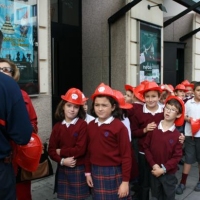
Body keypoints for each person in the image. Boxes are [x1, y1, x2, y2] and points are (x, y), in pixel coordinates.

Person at [85, 83, 132, 199]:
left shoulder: (119, 127)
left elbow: (126, 156)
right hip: (95, 171)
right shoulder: (90, 125)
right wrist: (87, 172)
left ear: (113, 107)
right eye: (97, 105)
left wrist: (125, 182)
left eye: (104, 105)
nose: (100, 109)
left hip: (114, 172)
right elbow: (88, 151)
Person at [0, 58, 38, 200]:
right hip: (6, 155)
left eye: (6, 70)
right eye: (0, 69)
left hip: (21, 154)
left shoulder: (22, 95)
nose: (2, 72)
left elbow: (33, 122)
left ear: (13, 73)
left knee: (21, 190)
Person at [48, 88, 89, 200]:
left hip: (78, 169)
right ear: (63, 106)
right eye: (69, 105)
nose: (72, 110)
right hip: (63, 168)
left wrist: (61, 151)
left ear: (79, 109)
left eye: (76, 107)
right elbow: (51, 150)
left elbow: (80, 149)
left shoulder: (82, 125)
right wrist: (62, 161)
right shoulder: (57, 127)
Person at [144, 96, 185, 200]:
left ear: (178, 114)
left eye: (173, 110)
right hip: (154, 170)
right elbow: (146, 147)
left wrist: (163, 169)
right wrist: (153, 165)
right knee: (156, 196)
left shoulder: (177, 136)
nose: (168, 111)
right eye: (167, 108)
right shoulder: (154, 129)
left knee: (168, 196)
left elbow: (177, 157)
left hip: (168, 174)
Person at [176, 81, 200, 195]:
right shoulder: (188, 103)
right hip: (190, 135)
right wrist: (189, 120)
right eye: (198, 90)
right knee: (188, 159)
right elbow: (182, 115)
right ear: (194, 91)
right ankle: (183, 182)